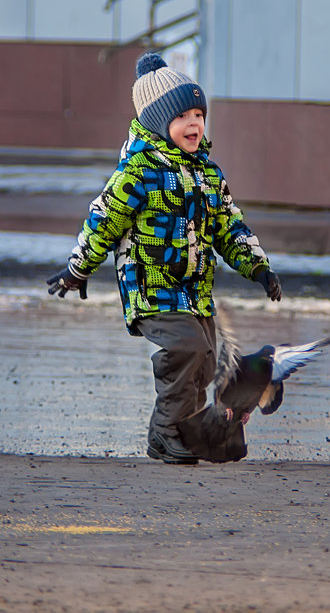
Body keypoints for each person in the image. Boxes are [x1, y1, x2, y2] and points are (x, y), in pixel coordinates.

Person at [46, 52, 281, 465]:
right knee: (186, 351)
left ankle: (182, 435)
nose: (194, 124)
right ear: (158, 122)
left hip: (195, 291)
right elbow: (104, 220)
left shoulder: (209, 174)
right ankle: (165, 433)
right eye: (183, 116)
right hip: (150, 287)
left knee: (205, 364)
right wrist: (77, 269)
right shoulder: (137, 172)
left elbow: (230, 226)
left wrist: (258, 267)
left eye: (199, 114)